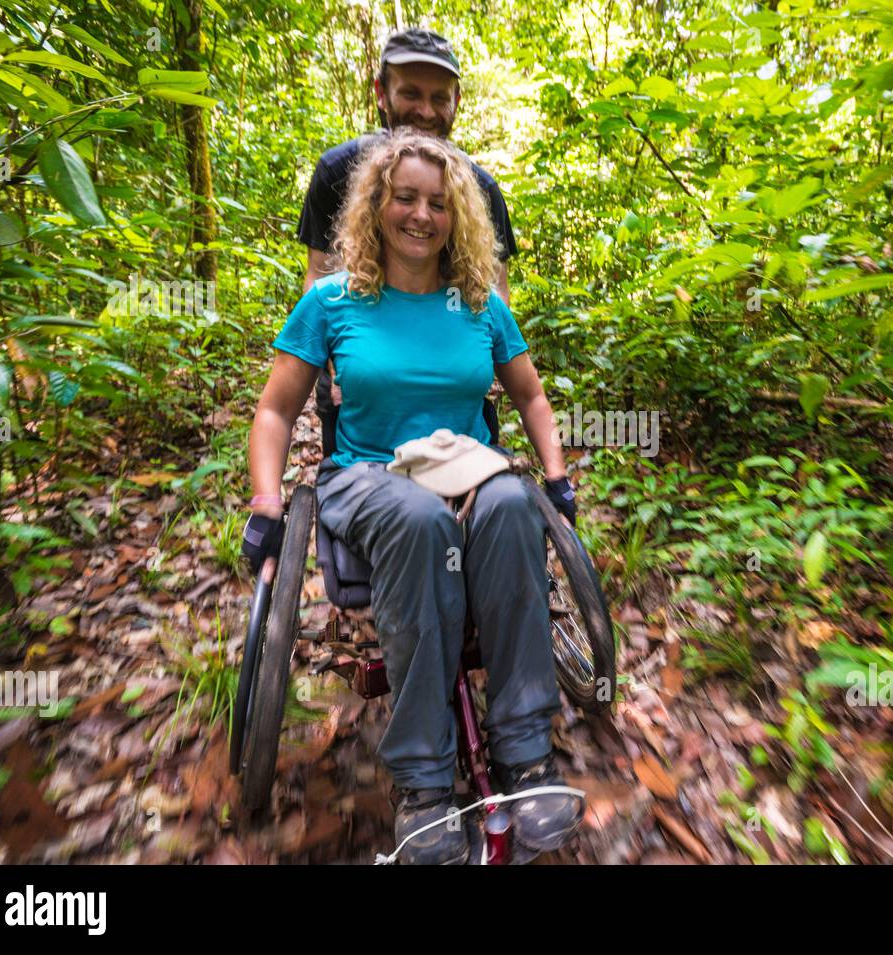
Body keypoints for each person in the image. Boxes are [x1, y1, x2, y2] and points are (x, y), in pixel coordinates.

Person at [244, 129, 581, 864]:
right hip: (369, 477)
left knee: (513, 503)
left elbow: (530, 394)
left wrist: (555, 477)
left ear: (457, 214)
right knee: (420, 517)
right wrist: (266, 501)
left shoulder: (480, 305)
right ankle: (425, 784)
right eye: (405, 198)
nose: (421, 215)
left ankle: (526, 755)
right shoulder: (333, 301)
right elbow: (274, 411)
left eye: (437, 202)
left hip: (466, 469)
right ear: (377, 205)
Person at [298, 28, 517, 454]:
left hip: (451, 382)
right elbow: (318, 274)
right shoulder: (337, 171)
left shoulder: (479, 189)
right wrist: (333, 362)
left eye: (440, 98)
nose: (426, 111)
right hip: (360, 378)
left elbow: (496, 290)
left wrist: (479, 367)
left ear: (457, 102)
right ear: (381, 92)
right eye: (411, 93)